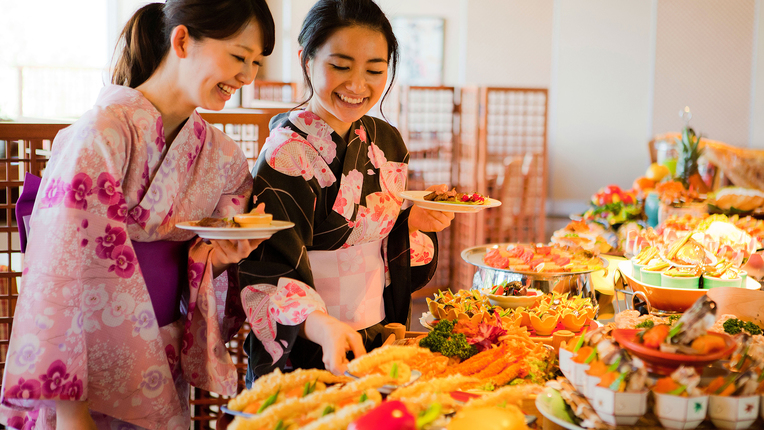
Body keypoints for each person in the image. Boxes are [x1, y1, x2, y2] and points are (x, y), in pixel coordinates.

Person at [0, 1, 275, 429]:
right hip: (86, 373)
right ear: (182, 40)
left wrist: (218, 259)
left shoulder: (223, 156)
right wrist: (72, 412)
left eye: (257, 63)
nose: (248, 76)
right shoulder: (99, 133)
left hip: (161, 362)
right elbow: (58, 274)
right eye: (239, 56)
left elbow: (208, 265)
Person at [239, 0, 455, 382]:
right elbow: (271, 267)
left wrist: (410, 221)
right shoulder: (288, 153)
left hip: (378, 332)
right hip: (311, 340)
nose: (358, 85)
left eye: (375, 70)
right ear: (306, 59)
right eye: (340, 66)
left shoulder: (386, 140)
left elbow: (374, 236)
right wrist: (322, 327)